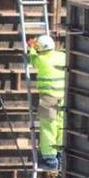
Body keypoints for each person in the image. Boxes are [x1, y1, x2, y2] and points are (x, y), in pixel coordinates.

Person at [27, 34, 65, 170]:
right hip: (63, 97)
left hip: (48, 97)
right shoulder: (62, 56)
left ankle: (50, 158)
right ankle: (61, 155)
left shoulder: (41, 59)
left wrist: (31, 46)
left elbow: (30, 58)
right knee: (61, 126)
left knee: (48, 128)